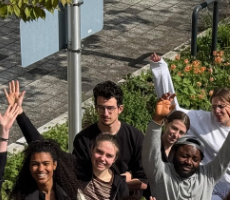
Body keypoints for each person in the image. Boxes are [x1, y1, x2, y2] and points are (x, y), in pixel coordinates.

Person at [150, 53, 230, 200]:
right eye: (213, 107)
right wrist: (160, 68)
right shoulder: (201, 119)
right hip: (206, 187)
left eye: (221, 106)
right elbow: (172, 107)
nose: (217, 111)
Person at [10, 81, 148, 191]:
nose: (106, 113)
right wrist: (20, 114)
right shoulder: (84, 139)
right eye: (101, 108)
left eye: (110, 108)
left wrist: (121, 184)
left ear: (120, 109)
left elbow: (144, 181)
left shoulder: (135, 137)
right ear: (95, 108)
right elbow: (77, 175)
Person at [143, 92, 230, 200]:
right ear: (174, 153)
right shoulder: (161, 173)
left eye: (195, 159)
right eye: (184, 156)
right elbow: (151, 153)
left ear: (200, 161)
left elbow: (226, 156)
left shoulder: (207, 176)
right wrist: (157, 121)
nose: (188, 162)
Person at [82, 134, 130, 200]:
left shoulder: (119, 186)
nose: (102, 158)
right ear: (92, 150)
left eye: (109, 156)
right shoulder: (77, 173)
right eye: (99, 152)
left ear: (114, 159)